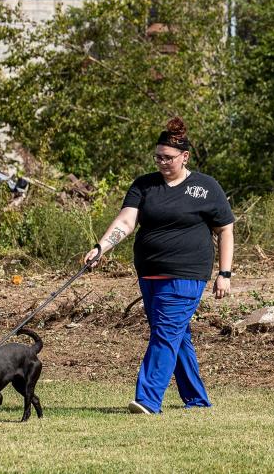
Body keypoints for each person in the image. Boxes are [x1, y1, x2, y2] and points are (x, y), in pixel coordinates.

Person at [84, 116, 235, 414]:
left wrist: (224, 273)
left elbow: (225, 229)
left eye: (168, 158)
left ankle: (148, 399)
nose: (162, 163)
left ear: (185, 156)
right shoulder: (145, 185)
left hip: (186, 274)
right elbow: (127, 221)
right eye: (158, 157)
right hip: (149, 273)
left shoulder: (206, 187)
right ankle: (196, 397)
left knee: (165, 332)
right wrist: (101, 247)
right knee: (174, 334)